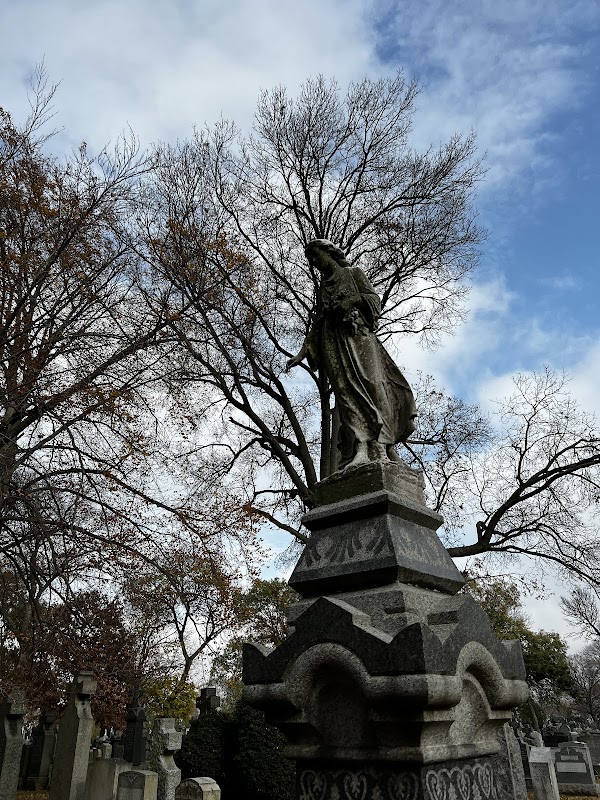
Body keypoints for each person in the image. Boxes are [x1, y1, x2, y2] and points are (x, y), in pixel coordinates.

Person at [287, 239, 416, 470]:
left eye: (316, 256)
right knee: (345, 394)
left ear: (329, 253)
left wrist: (352, 301)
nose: (315, 263)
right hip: (332, 342)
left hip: (359, 338)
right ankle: (361, 448)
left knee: (374, 386)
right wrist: (303, 350)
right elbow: (319, 321)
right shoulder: (323, 288)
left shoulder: (353, 273)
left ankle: (383, 445)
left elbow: (374, 301)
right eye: (311, 260)